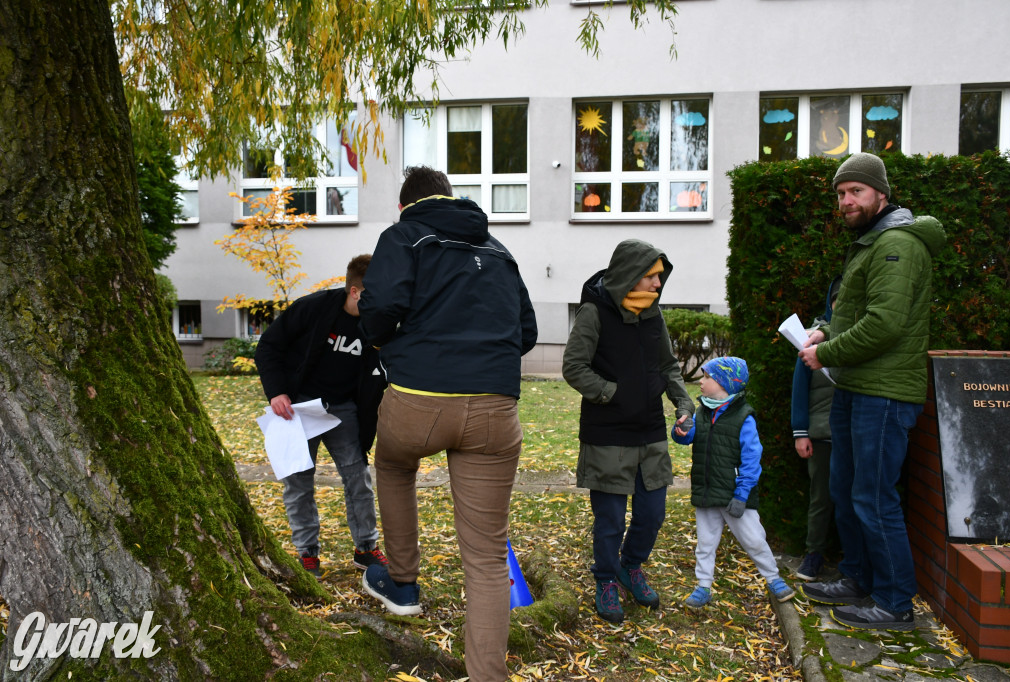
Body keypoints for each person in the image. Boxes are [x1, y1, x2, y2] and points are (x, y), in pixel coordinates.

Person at [358, 166, 537, 682]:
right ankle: (488, 676)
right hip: (494, 411)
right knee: (485, 555)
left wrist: (397, 343)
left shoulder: (403, 236)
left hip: (419, 399)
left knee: (392, 466)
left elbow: (378, 311)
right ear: (451, 197)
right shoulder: (499, 249)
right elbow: (527, 331)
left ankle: (403, 581)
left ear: (403, 205)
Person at [798, 152, 946, 631]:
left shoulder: (895, 245)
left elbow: (884, 325)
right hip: (856, 388)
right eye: (841, 193)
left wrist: (829, 353)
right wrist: (826, 331)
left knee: (873, 497)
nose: (846, 201)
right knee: (845, 488)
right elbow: (858, 312)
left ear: (881, 193)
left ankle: (894, 600)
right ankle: (858, 577)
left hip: (883, 395)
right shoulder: (870, 242)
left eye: (856, 191)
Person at [562, 239, 695, 624]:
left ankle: (630, 566)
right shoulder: (594, 313)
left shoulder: (654, 314)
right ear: (631, 276)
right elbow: (574, 367)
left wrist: (683, 405)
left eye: (658, 278)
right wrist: (611, 394)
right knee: (610, 520)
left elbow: (669, 366)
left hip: (650, 430)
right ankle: (605, 579)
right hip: (608, 433)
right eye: (652, 277)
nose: (658, 285)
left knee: (652, 514)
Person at [254, 254, 388, 576]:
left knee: (358, 478)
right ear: (355, 292)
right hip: (299, 408)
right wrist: (277, 392)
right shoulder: (313, 309)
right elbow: (268, 347)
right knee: (298, 483)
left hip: (343, 409)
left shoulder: (376, 324)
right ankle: (307, 554)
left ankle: (366, 549)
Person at [672, 357, 797, 609]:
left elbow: (752, 457)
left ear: (724, 383)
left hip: (734, 495)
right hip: (707, 491)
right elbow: (688, 438)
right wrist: (680, 432)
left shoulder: (743, 416)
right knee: (705, 542)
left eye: (707, 377)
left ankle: (773, 578)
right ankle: (703, 586)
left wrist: (742, 494)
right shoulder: (702, 412)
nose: (701, 382)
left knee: (754, 539)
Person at [790, 278, 839, 581]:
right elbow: (800, 387)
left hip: (855, 432)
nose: (839, 305)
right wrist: (801, 432)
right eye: (836, 299)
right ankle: (814, 554)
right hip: (820, 433)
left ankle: (854, 561)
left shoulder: (866, 334)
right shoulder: (812, 335)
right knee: (820, 498)